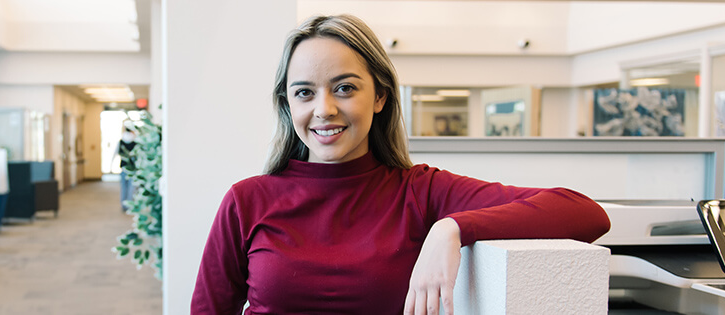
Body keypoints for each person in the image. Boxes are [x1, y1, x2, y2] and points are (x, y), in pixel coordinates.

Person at [191, 15, 610, 314]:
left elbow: (582, 211)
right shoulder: (247, 200)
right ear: (288, 105)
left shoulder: (420, 190)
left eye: (344, 88)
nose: (324, 109)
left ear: (380, 97)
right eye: (304, 93)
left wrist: (454, 227)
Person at [117, 126, 137, 212]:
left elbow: (116, 152)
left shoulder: (121, 141)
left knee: (123, 186)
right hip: (132, 168)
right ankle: (129, 204)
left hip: (124, 167)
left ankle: (123, 205)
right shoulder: (135, 141)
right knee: (131, 187)